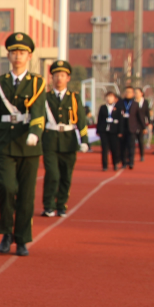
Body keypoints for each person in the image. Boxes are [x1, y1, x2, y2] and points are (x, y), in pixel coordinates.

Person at [0, 33, 45, 256]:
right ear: (8, 55)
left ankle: (22, 238)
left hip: (28, 144)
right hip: (4, 143)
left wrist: (35, 132)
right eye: (14, 52)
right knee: (6, 187)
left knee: (26, 194)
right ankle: (6, 232)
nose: (18, 56)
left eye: (22, 52)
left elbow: (39, 111)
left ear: (29, 56)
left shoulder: (38, 83)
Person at [40, 61, 89, 218]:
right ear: (51, 77)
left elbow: (81, 119)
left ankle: (61, 205)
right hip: (50, 140)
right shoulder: (45, 97)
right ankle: (48, 205)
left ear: (68, 78)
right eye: (56, 75)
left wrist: (85, 140)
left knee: (66, 175)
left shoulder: (74, 98)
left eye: (62, 75)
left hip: (69, 141)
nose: (59, 79)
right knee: (52, 174)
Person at [97, 90, 124, 171]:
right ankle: (104, 165)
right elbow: (99, 119)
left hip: (114, 131)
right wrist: (98, 130)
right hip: (104, 130)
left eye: (111, 97)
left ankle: (115, 163)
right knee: (104, 149)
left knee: (114, 148)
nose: (109, 99)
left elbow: (121, 121)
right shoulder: (103, 107)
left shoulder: (118, 108)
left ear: (114, 99)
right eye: (107, 97)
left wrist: (120, 131)